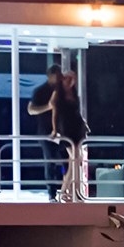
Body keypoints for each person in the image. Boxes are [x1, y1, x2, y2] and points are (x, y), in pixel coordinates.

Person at [25, 63, 63, 199]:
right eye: (56, 76)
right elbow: (31, 110)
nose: (58, 78)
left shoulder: (62, 90)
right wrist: (48, 107)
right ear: (50, 76)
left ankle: (65, 189)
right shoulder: (40, 91)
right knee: (50, 161)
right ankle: (52, 193)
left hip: (62, 130)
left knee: (67, 160)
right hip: (45, 131)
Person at [50, 68, 88, 202]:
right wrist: (55, 130)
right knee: (75, 160)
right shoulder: (58, 94)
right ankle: (67, 191)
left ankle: (70, 191)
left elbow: (76, 112)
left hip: (76, 128)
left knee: (75, 161)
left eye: (71, 79)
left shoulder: (73, 93)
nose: (70, 81)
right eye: (67, 79)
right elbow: (54, 114)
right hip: (66, 129)